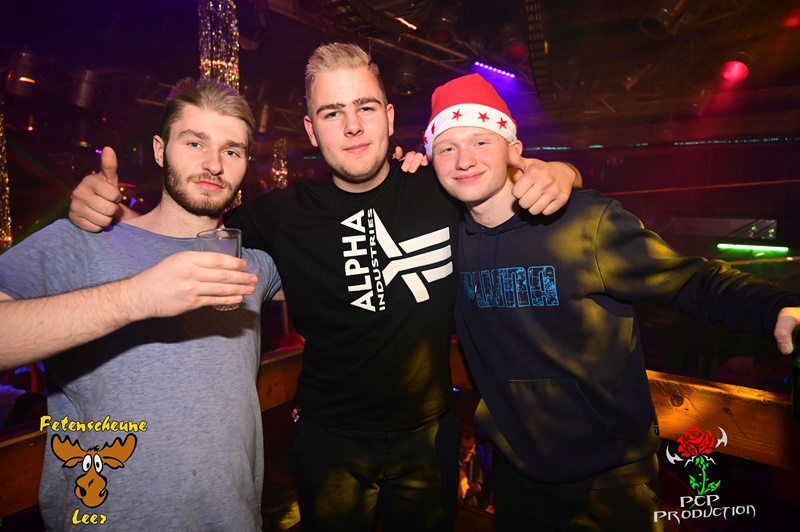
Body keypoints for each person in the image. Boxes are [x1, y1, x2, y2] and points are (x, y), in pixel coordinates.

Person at [66, 43, 581, 531]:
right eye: (333, 113)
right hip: (329, 443)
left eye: (366, 108)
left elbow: (515, 180)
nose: (353, 126)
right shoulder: (282, 215)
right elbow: (183, 230)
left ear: (390, 118)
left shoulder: (441, 186)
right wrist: (117, 216)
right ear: (312, 131)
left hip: (429, 437)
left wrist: (563, 171)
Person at [421, 73, 800, 531]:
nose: (464, 159)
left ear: (513, 149)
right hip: (517, 476)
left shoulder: (585, 221)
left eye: (481, 141)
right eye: (447, 147)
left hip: (609, 478)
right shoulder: (445, 238)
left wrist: (777, 306)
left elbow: (691, 282)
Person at [0, 77, 281, 530]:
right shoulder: (83, 242)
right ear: (159, 150)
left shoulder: (252, 266)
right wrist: (139, 296)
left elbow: (336, 272)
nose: (213, 164)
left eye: (231, 151)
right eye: (195, 143)